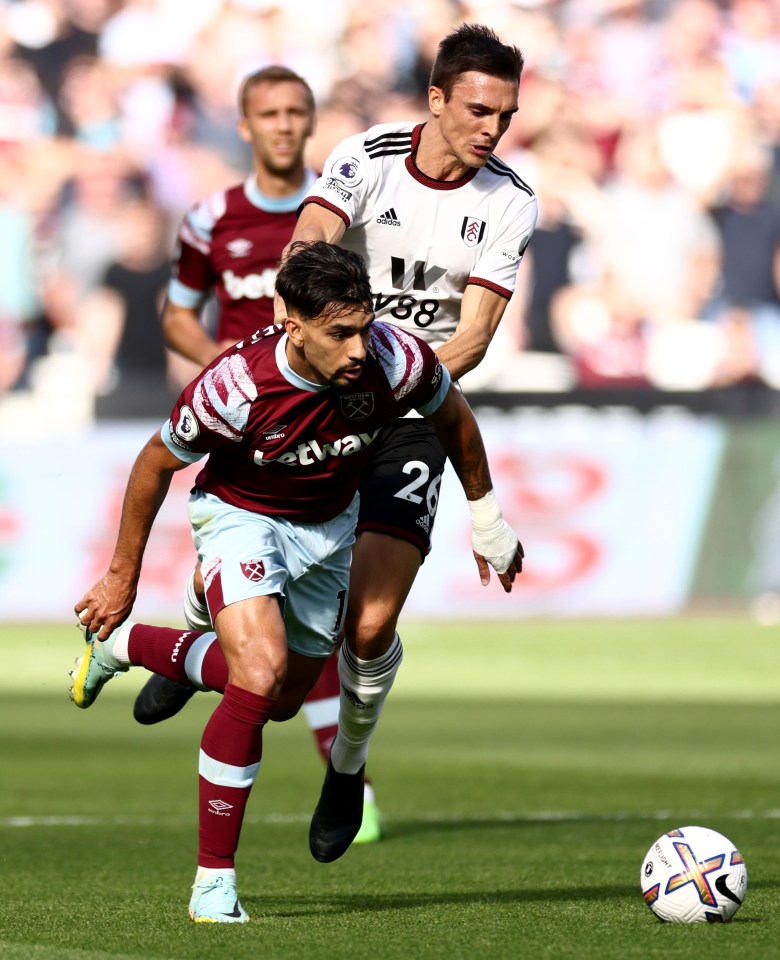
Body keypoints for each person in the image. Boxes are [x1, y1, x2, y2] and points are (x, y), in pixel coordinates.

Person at [136, 23, 538, 860]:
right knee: (248, 522)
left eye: (504, 115)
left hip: (403, 409)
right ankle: (184, 633)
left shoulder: (512, 199)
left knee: (368, 626)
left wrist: (471, 491)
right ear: (436, 99)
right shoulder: (367, 154)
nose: (491, 130)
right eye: (476, 110)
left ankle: (347, 767)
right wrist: (329, 353)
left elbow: (473, 339)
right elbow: (308, 247)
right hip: (325, 383)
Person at [70, 241, 524, 923]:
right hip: (239, 517)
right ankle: (213, 884)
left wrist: (487, 516)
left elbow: (452, 416)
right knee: (257, 677)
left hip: (330, 528)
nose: (358, 350)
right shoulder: (234, 387)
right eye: (340, 333)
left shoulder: (395, 359)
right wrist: (120, 574)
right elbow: (154, 463)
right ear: (293, 324)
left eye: (363, 327)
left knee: (280, 699)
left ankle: (134, 648)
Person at [131, 64, 384, 841]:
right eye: (267, 113)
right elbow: (174, 313)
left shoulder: (340, 217)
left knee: (325, 629)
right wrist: (225, 370)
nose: (282, 125)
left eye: (295, 113)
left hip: (332, 419)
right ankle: (187, 636)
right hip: (250, 426)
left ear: (311, 126)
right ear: (244, 126)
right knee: (266, 654)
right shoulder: (209, 218)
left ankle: (182, 649)